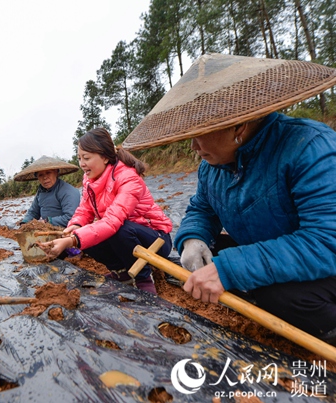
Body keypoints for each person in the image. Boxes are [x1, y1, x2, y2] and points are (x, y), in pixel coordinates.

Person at [122, 53, 336, 343]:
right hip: (265, 249)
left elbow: (325, 241)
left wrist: (231, 269)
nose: (194, 146)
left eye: (200, 134)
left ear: (238, 126)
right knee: (213, 258)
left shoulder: (309, 148)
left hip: (323, 266)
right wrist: (193, 238)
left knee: (280, 297)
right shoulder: (212, 167)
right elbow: (201, 208)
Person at [42, 128, 173, 293]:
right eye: (79, 158)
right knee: (85, 233)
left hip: (155, 240)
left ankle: (143, 278)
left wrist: (72, 241)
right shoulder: (89, 180)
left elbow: (112, 222)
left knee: (117, 229)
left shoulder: (128, 178)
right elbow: (85, 210)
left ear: (104, 157)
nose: (81, 163)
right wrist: (75, 225)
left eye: (86, 158)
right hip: (123, 235)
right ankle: (122, 273)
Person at [14, 155, 80, 227]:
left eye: (48, 173)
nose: (45, 177)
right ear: (37, 177)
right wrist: (24, 223)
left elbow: (71, 218)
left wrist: (47, 221)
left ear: (56, 172)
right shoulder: (41, 192)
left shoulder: (68, 191)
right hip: (48, 228)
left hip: (66, 230)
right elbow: (33, 212)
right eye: (41, 175)